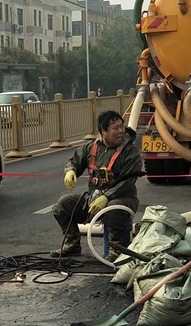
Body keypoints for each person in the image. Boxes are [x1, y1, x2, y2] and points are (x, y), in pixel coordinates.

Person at [52, 109, 142, 257]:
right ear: (103, 132)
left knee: (114, 209)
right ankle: (72, 244)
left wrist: (107, 197)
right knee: (62, 205)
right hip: (93, 200)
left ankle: (116, 250)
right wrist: (70, 170)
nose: (121, 131)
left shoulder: (130, 151)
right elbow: (74, 161)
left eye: (121, 126)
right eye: (115, 128)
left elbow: (128, 181)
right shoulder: (91, 148)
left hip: (123, 200)